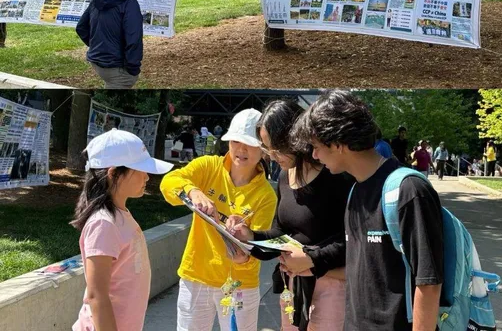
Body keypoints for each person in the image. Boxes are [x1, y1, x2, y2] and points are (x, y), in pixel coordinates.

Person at [292, 90, 443, 331]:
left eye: (317, 146)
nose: (314, 155)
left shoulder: (409, 190)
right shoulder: (355, 191)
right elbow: (361, 270)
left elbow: (429, 283)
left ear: (339, 143)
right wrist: (310, 264)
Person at [226, 100, 353, 331]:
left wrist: (312, 260)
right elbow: (280, 233)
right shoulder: (285, 177)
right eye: (266, 149)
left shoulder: (335, 175)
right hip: (293, 284)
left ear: (294, 139)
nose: (271, 157)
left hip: (331, 284)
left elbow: (352, 238)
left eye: (274, 148)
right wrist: (248, 237)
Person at [160, 109, 277, 331]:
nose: (241, 150)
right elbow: (169, 182)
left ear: (263, 150)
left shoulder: (266, 195)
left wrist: (243, 254)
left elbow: (258, 247)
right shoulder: (208, 166)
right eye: (236, 141)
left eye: (250, 144)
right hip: (196, 275)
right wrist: (192, 191)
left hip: (239, 285)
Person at [71, 129, 174, 331]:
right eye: (140, 170)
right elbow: (96, 295)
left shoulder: (120, 214)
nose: (147, 177)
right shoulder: (103, 224)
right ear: (114, 174)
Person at [76, 0, 143, 89]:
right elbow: (133, 39)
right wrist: (133, 68)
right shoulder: (129, 4)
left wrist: (98, 47)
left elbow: (81, 27)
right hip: (117, 67)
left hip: (97, 61)